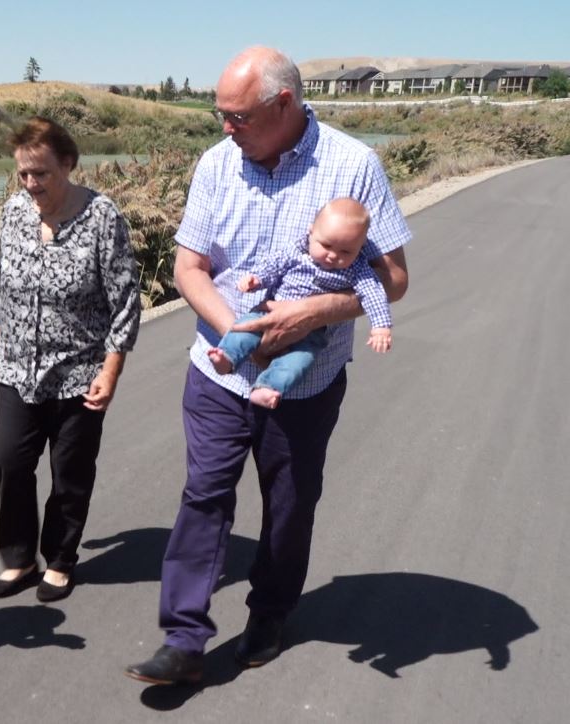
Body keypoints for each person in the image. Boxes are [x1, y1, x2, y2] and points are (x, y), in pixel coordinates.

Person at [125, 47, 410, 685]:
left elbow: (391, 280)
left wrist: (312, 315)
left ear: (283, 105)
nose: (225, 128)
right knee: (203, 496)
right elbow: (188, 269)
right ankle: (183, 636)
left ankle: (271, 613)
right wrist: (241, 335)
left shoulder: (354, 165)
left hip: (307, 383)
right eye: (220, 115)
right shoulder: (216, 165)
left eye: (237, 117)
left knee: (289, 505)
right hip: (219, 369)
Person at [0, 116, 141, 603]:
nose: (31, 184)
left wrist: (110, 373)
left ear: (68, 164)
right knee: (9, 460)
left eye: (41, 174)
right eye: (23, 174)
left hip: (79, 372)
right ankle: (20, 558)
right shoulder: (13, 212)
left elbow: (126, 301)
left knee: (70, 471)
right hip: (17, 367)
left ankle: (61, 559)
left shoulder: (101, 217)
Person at [207, 198, 394, 409]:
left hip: (312, 331)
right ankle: (226, 356)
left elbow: (374, 294)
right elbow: (273, 264)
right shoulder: (296, 251)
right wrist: (256, 279)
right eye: (326, 245)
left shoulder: (357, 269)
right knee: (244, 329)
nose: (333, 256)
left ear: (360, 247)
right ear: (311, 232)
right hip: (269, 312)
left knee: (299, 361)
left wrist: (381, 327)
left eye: (346, 252)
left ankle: (268, 388)